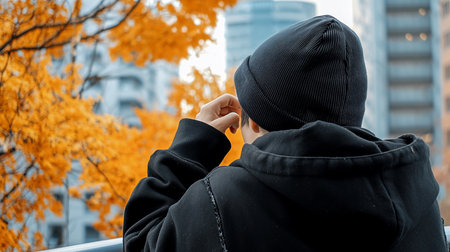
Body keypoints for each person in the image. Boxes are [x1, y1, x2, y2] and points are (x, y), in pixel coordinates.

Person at [122, 15, 448, 251]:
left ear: (254, 123)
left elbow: (140, 242)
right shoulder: (416, 193)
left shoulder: (224, 201)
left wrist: (191, 149)